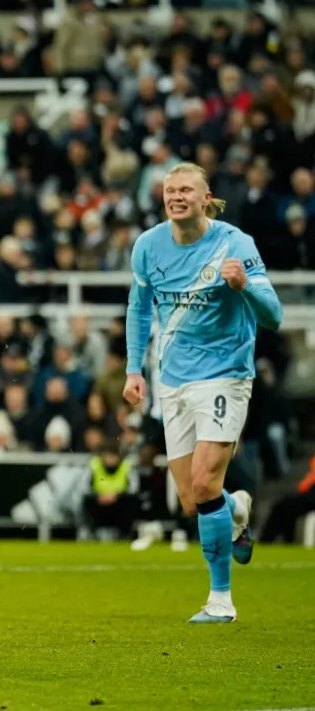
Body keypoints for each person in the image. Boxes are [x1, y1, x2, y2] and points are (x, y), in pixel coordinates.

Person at [124, 162, 282, 624]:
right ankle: (236, 509)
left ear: (206, 197)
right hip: (172, 380)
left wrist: (244, 286)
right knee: (193, 501)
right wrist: (134, 370)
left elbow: (273, 316)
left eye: (186, 190)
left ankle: (221, 600)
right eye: (170, 190)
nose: (176, 196)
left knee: (204, 483)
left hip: (225, 374)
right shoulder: (148, 245)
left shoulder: (236, 244)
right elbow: (138, 309)